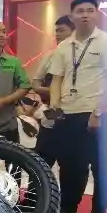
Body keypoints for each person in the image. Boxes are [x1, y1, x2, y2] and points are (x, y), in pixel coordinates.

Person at [48, 0, 107, 213]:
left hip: (94, 112)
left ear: (97, 13)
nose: (85, 15)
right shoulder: (63, 46)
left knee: (99, 168)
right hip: (68, 113)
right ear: (72, 16)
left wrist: (98, 111)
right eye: (80, 11)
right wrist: (55, 105)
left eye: (90, 10)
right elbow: (57, 79)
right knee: (71, 167)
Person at [31, 15, 75, 166]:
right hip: (52, 112)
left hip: (74, 115)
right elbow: (35, 84)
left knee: (70, 164)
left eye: (61, 30)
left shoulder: (83, 57)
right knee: (41, 162)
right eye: (56, 31)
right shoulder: (50, 56)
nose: (57, 34)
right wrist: (53, 91)